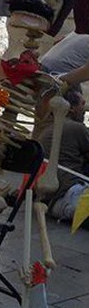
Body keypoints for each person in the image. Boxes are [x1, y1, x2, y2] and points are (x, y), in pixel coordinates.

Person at [38, 87, 89, 223]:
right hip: (70, 193)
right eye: (82, 104)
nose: (85, 108)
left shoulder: (47, 129)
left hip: (50, 200)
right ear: (71, 108)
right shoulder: (77, 128)